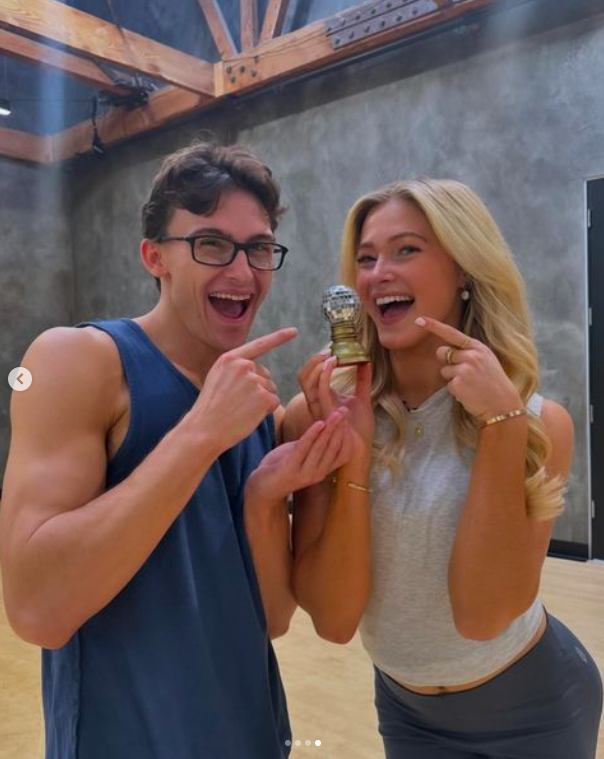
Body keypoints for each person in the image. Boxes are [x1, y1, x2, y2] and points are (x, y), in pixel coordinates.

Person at [0, 141, 351, 759]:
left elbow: (272, 618)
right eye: (211, 244)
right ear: (154, 257)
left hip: (253, 733)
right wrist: (198, 435)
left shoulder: (255, 407)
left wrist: (272, 490)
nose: (242, 272)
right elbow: (36, 608)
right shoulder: (76, 359)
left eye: (259, 248)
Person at [283, 179, 603, 758]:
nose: (379, 272)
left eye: (407, 249)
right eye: (366, 258)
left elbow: (483, 617)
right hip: (406, 712)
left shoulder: (536, 423)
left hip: (537, 708)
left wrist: (501, 427)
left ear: (463, 272)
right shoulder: (317, 415)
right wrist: (351, 454)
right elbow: (332, 621)